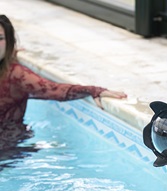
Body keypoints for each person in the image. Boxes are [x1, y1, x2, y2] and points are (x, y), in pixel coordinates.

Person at [0, 14, 127, 150]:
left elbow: (54, 90)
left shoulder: (16, 75)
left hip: (8, 148)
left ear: (9, 42)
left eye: (0, 38)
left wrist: (94, 90)